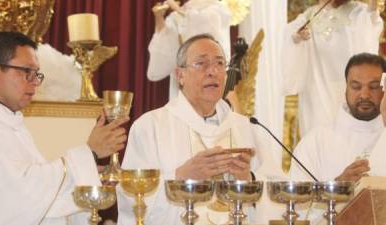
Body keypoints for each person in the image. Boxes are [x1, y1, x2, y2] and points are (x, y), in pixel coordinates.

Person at [117, 34, 284, 225]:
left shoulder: (246, 127)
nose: (212, 71)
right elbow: (130, 198)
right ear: (180, 75)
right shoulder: (150, 126)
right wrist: (180, 178)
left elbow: (278, 195)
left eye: (220, 63)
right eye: (201, 63)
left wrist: (248, 179)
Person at [0, 32, 128, 225]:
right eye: (26, 72)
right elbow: (19, 198)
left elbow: (42, 195)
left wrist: (85, 172)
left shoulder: (11, 122)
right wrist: (90, 152)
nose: (35, 82)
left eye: (37, 74)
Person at [290, 53, 386, 224]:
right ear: (345, 88)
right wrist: (336, 189)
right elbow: (295, 208)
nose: (364, 95)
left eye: (374, 87)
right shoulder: (315, 142)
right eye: (356, 86)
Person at [281, 0, 382, 136]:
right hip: (317, 92)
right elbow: (291, 41)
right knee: (320, 140)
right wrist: (296, 39)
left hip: (351, 92)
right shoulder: (307, 17)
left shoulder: (359, 12)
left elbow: (371, 25)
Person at [148, 0, 231, 99]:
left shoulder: (217, 8)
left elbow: (202, 32)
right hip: (183, 74)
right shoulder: (183, 10)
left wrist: (177, 10)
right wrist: (159, 17)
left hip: (205, 72)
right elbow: (166, 39)